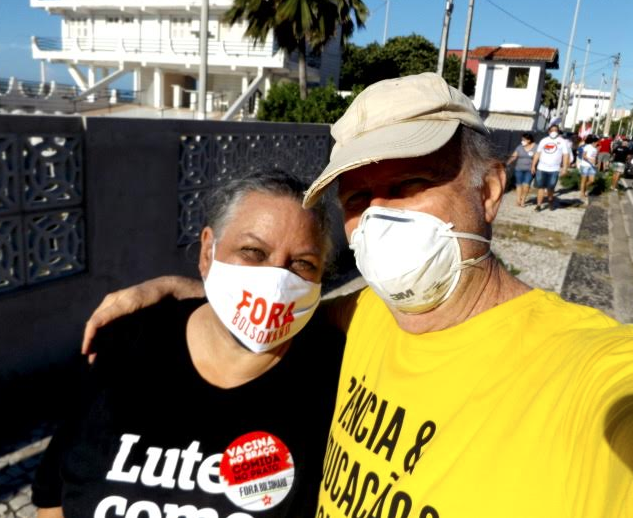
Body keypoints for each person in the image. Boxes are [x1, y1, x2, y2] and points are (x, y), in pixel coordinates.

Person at [82, 73, 633, 518]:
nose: (379, 217)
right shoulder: (366, 314)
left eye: (409, 185)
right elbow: (278, 306)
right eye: (359, 198)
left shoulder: (583, 372)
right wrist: (193, 290)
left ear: (488, 191)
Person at [32, 170, 345, 518]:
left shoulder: (332, 376)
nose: (276, 282)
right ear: (208, 251)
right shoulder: (128, 344)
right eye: (253, 252)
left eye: (302, 263)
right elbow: (53, 496)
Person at [531, 123, 570, 211]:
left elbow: (565, 155)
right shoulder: (544, 140)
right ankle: (538, 205)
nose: (554, 132)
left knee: (551, 188)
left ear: (558, 132)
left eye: (556, 130)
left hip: (554, 169)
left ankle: (550, 201)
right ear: (549, 131)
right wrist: (533, 165)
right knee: (540, 187)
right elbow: (538, 153)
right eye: (552, 130)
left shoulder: (562, 141)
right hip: (541, 168)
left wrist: (565, 168)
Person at [506, 133, 536, 207]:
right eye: (522, 139)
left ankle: (523, 200)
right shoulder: (519, 147)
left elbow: (537, 157)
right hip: (519, 169)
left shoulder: (535, 147)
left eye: (524, 140)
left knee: (526, 185)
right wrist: (507, 163)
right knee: (518, 185)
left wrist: (534, 166)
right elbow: (514, 156)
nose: (522, 141)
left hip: (529, 170)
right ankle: (518, 200)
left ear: (529, 140)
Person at [578, 134, 598, 201]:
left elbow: (594, 157)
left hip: (592, 166)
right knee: (583, 180)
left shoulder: (595, 149)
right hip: (585, 165)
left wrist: (596, 162)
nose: (597, 143)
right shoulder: (587, 146)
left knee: (592, 180)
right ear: (593, 142)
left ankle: (583, 189)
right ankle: (582, 193)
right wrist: (590, 159)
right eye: (597, 142)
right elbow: (583, 156)